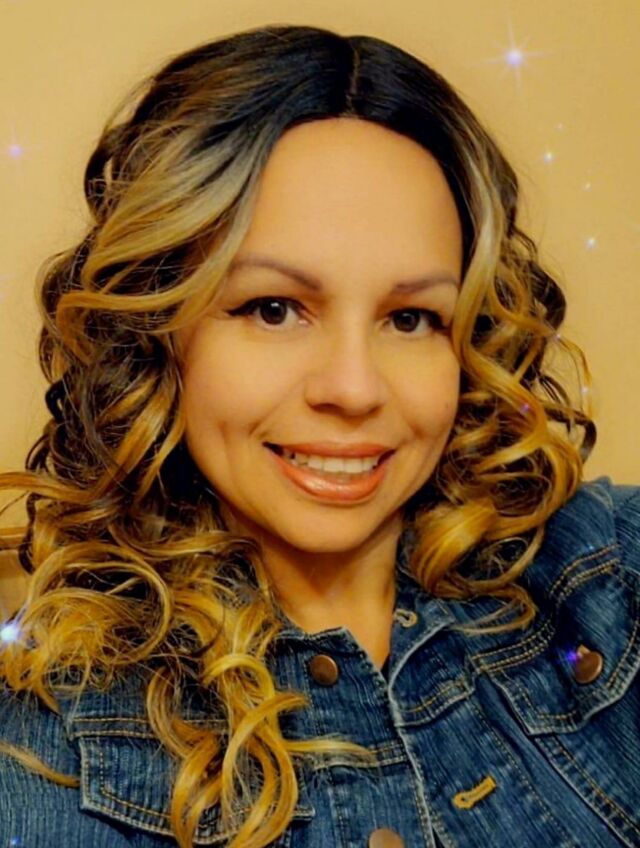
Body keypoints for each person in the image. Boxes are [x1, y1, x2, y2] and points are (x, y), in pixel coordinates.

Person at [0, 23, 637, 848]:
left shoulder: (611, 581)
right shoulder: (35, 754)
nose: (354, 388)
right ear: (158, 330)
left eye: (411, 318)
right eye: (273, 309)